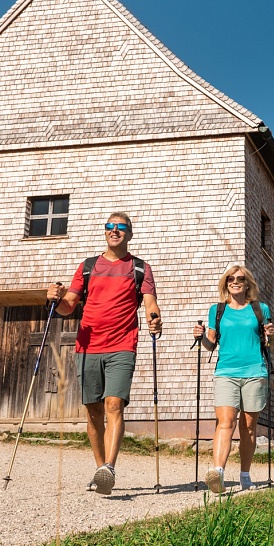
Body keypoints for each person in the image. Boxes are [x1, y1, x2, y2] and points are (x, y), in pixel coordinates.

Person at [47, 212, 161, 495]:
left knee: (114, 405)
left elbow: (150, 303)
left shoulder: (140, 268)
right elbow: (68, 306)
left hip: (123, 345)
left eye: (121, 227)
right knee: (93, 412)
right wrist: (54, 298)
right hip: (88, 347)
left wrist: (154, 318)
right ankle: (100, 472)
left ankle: (109, 466)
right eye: (110, 226)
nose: (115, 231)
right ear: (105, 232)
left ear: (130, 234)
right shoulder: (87, 266)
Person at [193, 265, 274, 494]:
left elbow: (269, 343)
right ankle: (217, 472)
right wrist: (200, 338)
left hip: (255, 372)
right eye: (231, 278)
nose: (235, 281)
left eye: (240, 278)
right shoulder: (217, 310)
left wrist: (272, 337)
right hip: (226, 372)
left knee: (248, 427)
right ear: (226, 283)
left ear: (247, 283)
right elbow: (211, 344)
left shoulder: (260, 309)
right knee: (225, 422)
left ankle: (245, 475)